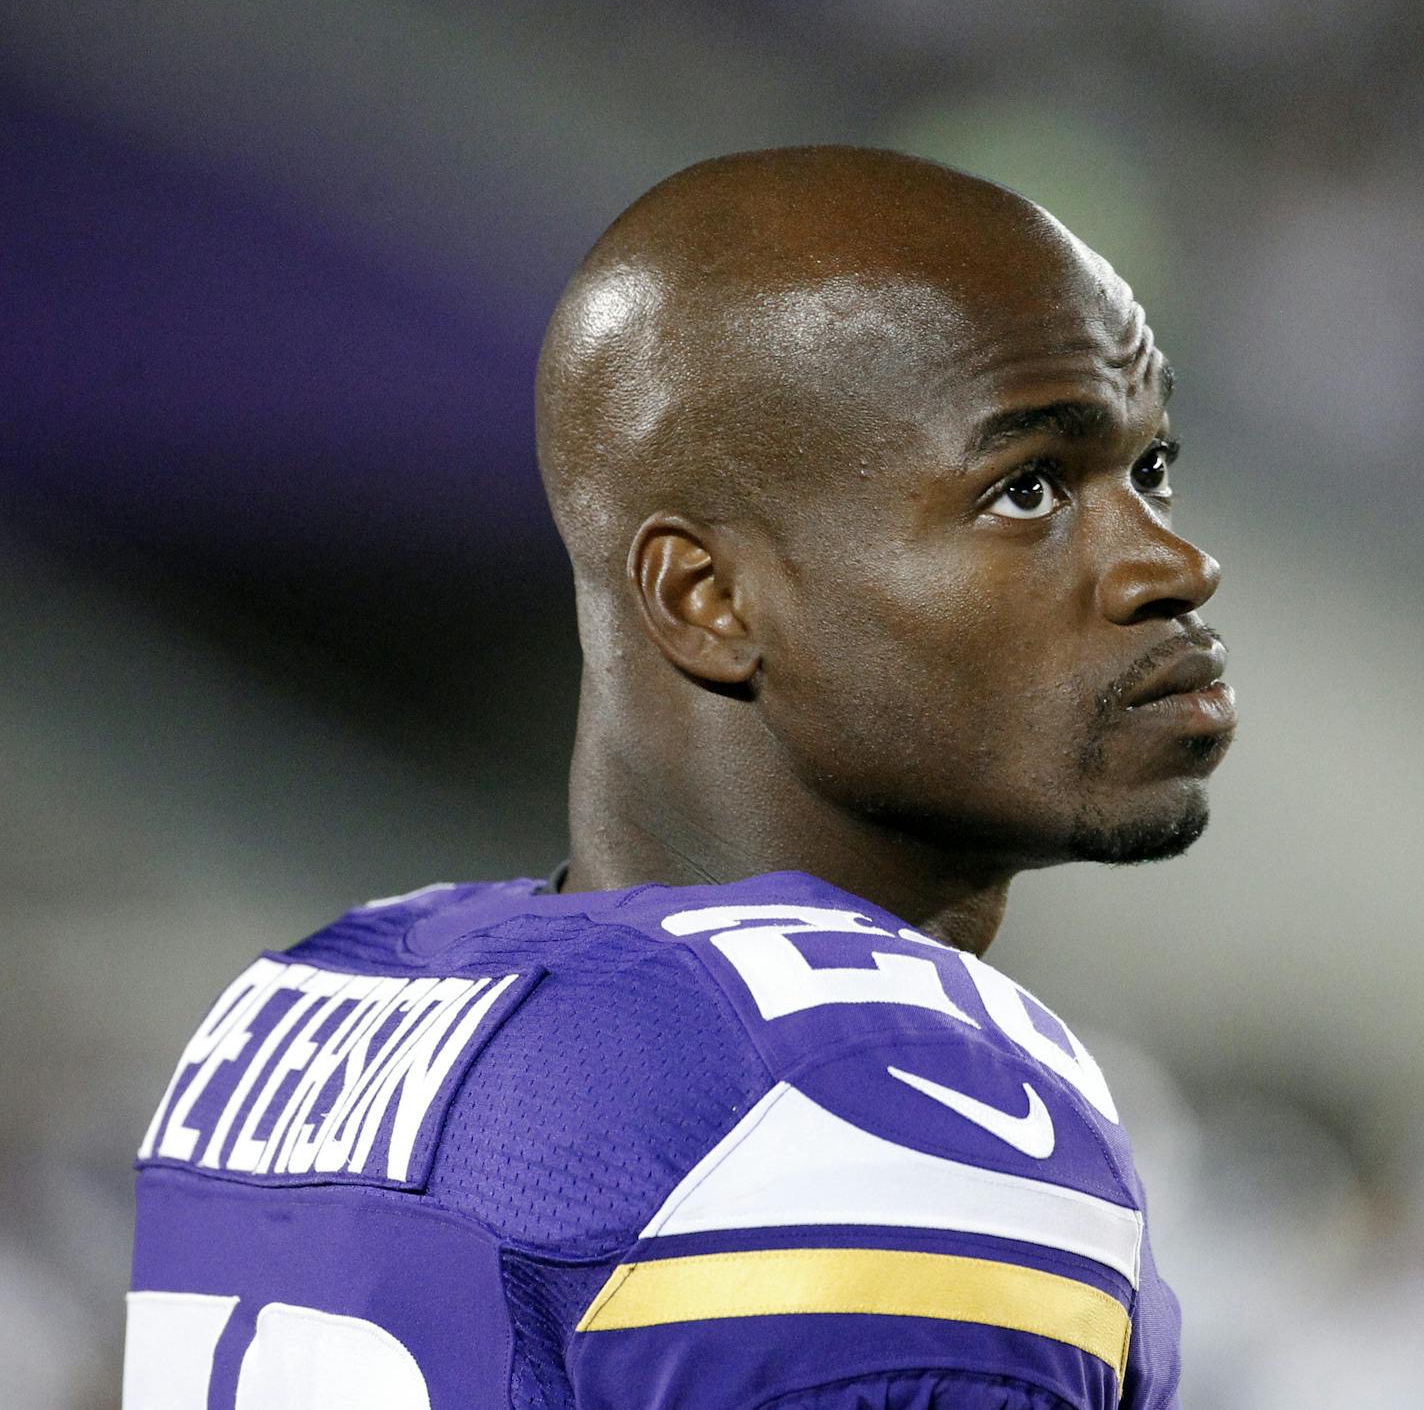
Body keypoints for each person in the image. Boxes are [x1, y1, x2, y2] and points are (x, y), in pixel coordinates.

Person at [123, 147, 1234, 1410]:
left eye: (1147, 470)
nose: (1172, 562)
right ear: (708, 597)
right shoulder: (865, 1095)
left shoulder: (315, 1002)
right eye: (1024, 489)